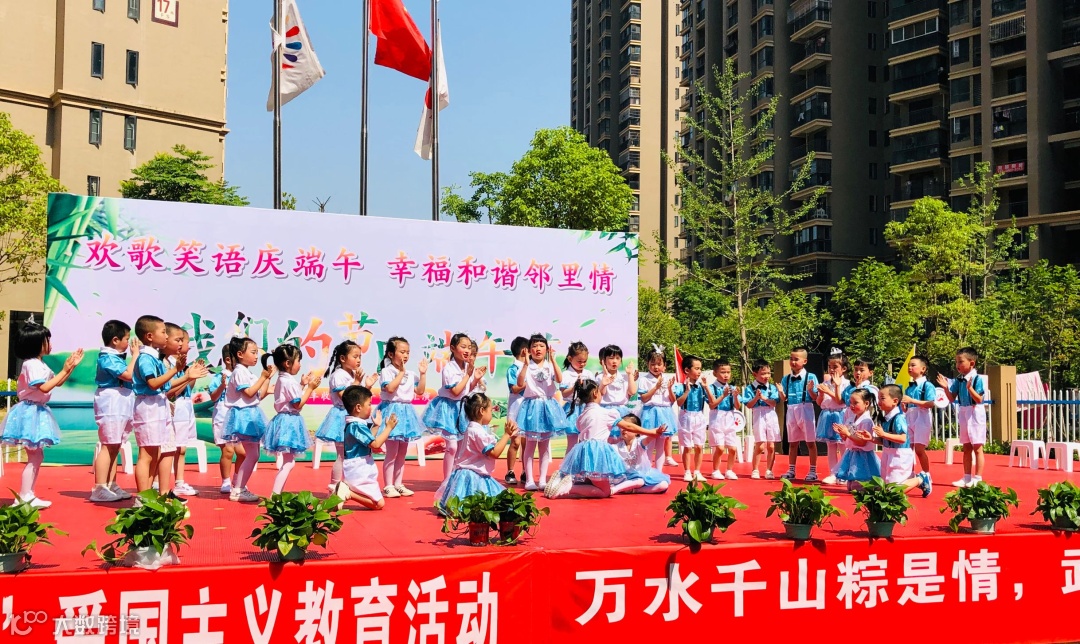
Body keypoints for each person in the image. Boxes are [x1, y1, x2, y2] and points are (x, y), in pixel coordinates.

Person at [1, 320, 84, 508]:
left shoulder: (38, 364)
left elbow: (57, 382)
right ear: (36, 343)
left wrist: (70, 367)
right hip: (30, 412)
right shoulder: (32, 364)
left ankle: (28, 494)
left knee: (37, 456)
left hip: (35, 410)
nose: (50, 343)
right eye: (47, 340)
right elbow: (45, 387)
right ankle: (24, 496)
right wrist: (65, 369)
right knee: (34, 456)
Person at [131, 316, 205, 501]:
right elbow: (153, 383)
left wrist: (186, 376)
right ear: (149, 336)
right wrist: (176, 371)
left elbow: (165, 386)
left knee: (155, 453)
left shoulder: (153, 358)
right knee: (146, 455)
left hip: (158, 406)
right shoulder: (145, 358)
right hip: (148, 407)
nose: (165, 336)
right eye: (163, 332)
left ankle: (149, 496)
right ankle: (142, 497)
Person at [545, 379, 654, 499]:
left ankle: (563, 483)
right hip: (597, 452)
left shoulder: (582, 415)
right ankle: (568, 487)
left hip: (583, 451)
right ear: (595, 393)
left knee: (590, 481)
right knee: (605, 491)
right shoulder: (606, 413)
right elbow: (628, 426)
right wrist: (651, 432)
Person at [435, 393, 520, 510]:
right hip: (473, 476)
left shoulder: (473, 429)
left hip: (468, 475)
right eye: (490, 410)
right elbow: (494, 453)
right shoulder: (477, 432)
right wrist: (506, 435)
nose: (492, 414)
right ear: (482, 411)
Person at [423, 333, 486, 482]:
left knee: (460, 447)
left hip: (463, 408)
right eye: (463, 347)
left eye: (469, 347)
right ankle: (446, 480)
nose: (467, 350)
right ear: (452, 348)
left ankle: (456, 478)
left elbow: (467, 390)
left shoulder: (467, 367)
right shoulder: (449, 368)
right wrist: (468, 375)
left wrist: (475, 379)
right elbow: (456, 391)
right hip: (449, 409)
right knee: (451, 446)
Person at [315, 340, 377, 491]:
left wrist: (367, 386)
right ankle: (334, 485)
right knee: (342, 455)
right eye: (355, 356)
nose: (358, 360)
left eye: (360, 357)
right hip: (342, 417)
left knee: (350, 455)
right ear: (342, 358)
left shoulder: (351, 374)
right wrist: (356, 382)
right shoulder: (338, 375)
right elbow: (347, 398)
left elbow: (359, 398)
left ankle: (347, 487)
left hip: (353, 416)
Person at [262, 344, 322, 494]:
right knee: (289, 463)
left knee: (289, 462)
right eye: (298, 361)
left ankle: (277, 494)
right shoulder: (288, 381)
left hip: (286, 420)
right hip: (289, 422)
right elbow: (297, 404)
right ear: (288, 363)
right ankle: (275, 495)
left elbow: (292, 399)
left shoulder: (284, 379)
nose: (300, 364)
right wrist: (310, 388)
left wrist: (302, 385)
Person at [222, 336, 275, 502]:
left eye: (256, 353)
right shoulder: (239, 372)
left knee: (253, 454)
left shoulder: (246, 372)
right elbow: (249, 393)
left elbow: (259, 395)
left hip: (251, 414)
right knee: (252, 455)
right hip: (244, 416)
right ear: (240, 354)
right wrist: (263, 377)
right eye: (253, 352)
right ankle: (238, 489)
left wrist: (267, 377)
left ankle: (239, 487)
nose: (256, 356)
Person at [91, 320, 139, 502]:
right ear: (115, 340)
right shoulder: (107, 358)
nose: (129, 342)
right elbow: (127, 375)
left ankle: (111, 484)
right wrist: (135, 356)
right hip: (111, 401)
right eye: (127, 339)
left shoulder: (117, 357)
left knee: (115, 445)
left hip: (122, 399)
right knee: (108, 444)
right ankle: (99, 487)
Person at [515, 334, 569, 491]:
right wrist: (526, 365)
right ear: (529, 349)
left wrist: (553, 361)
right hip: (532, 406)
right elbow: (520, 383)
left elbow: (559, 380)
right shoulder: (526, 365)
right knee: (530, 445)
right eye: (534, 346)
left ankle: (543, 480)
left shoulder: (550, 365)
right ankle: (529, 480)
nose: (538, 349)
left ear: (547, 349)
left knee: (545, 446)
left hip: (547, 406)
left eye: (541, 346)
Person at [378, 336, 428, 498]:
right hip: (392, 411)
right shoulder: (386, 371)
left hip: (407, 413)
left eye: (407, 352)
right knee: (391, 452)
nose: (405, 355)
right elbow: (390, 389)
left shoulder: (410, 373)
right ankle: (388, 485)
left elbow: (420, 391)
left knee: (402, 452)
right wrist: (401, 373)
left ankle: (398, 484)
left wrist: (422, 374)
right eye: (402, 352)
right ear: (391, 354)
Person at [332, 385, 397, 510]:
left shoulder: (355, 424)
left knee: (378, 503)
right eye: (369, 404)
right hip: (359, 467)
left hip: (359, 466)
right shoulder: (356, 425)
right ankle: (347, 492)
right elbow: (375, 444)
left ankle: (344, 493)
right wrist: (388, 428)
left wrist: (376, 426)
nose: (371, 407)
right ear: (358, 407)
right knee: (378, 504)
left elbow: (367, 441)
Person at [938, 347, 987, 488]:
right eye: (956, 362)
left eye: (960, 362)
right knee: (966, 446)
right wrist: (946, 388)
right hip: (964, 411)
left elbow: (979, 399)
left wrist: (970, 388)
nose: (957, 365)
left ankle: (978, 478)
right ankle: (966, 477)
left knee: (977, 447)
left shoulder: (977, 378)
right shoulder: (959, 380)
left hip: (975, 412)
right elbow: (951, 398)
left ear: (971, 363)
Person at [873, 384, 931, 497]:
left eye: (882, 398)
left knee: (893, 491)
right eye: (878, 398)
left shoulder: (899, 418)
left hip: (899, 455)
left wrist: (883, 434)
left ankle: (921, 478)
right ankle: (915, 480)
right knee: (884, 487)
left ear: (895, 401)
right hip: (887, 453)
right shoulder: (885, 418)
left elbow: (902, 438)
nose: (879, 402)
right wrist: (870, 438)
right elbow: (885, 441)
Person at [164, 324, 199, 498]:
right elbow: (170, 392)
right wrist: (187, 377)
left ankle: (179, 482)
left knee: (181, 448)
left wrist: (192, 375)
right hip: (175, 408)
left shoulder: (180, 365)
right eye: (182, 341)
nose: (186, 346)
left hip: (185, 407)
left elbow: (187, 387)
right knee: (174, 448)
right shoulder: (168, 364)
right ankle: (168, 484)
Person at [779, 347, 820, 482]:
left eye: (796, 359)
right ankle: (791, 470)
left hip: (805, 408)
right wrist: (780, 392)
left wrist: (810, 390)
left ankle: (813, 470)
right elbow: (784, 398)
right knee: (792, 442)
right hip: (791, 409)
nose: (793, 362)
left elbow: (815, 397)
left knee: (810, 442)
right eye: (791, 359)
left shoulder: (811, 377)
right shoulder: (786, 378)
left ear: (804, 361)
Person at [636, 346, 678, 470]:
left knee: (661, 446)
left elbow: (672, 400)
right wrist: (655, 388)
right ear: (648, 364)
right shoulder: (644, 380)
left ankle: (659, 472)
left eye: (659, 364)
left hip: (665, 413)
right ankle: (647, 471)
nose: (656, 367)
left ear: (664, 366)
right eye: (652, 364)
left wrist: (669, 388)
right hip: (650, 413)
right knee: (649, 444)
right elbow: (644, 399)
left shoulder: (668, 379)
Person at [208, 349, 243, 494]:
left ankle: (238, 480)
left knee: (243, 453)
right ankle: (226, 481)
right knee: (228, 451)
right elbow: (213, 397)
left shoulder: (242, 376)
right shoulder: (218, 377)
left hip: (239, 417)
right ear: (228, 360)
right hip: (222, 417)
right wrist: (222, 386)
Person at [832, 389, 882, 490]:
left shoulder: (866, 421)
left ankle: (872, 488)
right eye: (851, 403)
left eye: (856, 403)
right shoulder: (851, 419)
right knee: (850, 486)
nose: (852, 405)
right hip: (851, 453)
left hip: (863, 454)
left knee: (858, 484)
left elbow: (862, 442)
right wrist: (842, 433)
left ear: (866, 404)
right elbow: (846, 438)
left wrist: (847, 433)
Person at [814, 348, 851, 485]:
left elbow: (840, 401)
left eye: (835, 367)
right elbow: (819, 402)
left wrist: (829, 391)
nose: (831, 370)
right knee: (831, 446)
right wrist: (821, 393)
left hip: (841, 414)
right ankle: (833, 473)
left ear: (843, 369)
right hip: (827, 414)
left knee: (843, 445)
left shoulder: (846, 384)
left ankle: (844, 473)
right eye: (829, 367)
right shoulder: (826, 383)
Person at [741, 359, 780, 479]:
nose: (766, 376)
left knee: (771, 445)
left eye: (768, 373)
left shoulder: (772, 388)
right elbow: (748, 405)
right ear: (755, 374)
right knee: (760, 444)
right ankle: (755, 469)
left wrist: (763, 398)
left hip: (770, 414)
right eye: (763, 373)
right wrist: (756, 398)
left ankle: (769, 470)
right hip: (758, 414)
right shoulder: (750, 388)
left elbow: (774, 403)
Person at [612, 416, 671, 494]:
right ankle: (614, 490)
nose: (624, 430)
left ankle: (634, 490)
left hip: (644, 475)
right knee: (639, 481)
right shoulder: (616, 446)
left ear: (636, 431)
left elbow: (650, 437)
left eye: (628, 427)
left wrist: (658, 432)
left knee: (663, 485)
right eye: (622, 427)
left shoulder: (640, 442)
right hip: (626, 477)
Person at [673, 354, 708, 482]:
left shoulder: (701, 387)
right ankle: (687, 471)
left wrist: (706, 387)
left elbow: (711, 401)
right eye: (696, 368)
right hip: (686, 415)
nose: (699, 371)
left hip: (699, 416)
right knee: (687, 447)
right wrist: (687, 391)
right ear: (687, 370)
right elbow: (679, 403)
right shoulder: (680, 386)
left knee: (699, 446)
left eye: (700, 369)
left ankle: (697, 471)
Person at [706, 359, 741, 480]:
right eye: (723, 372)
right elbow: (712, 405)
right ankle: (715, 470)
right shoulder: (711, 388)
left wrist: (735, 396)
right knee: (720, 448)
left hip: (729, 417)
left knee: (733, 448)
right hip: (717, 417)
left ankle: (729, 470)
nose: (726, 375)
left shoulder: (732, 388)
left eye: (728, 372)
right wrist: (723, 395)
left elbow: (737, 406)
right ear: (715, 373)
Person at [903, 354, 937, 475]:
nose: (910, 368)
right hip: (909, 417)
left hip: (922, 417)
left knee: (919, 449)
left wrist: (912, 401)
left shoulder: (927, 385)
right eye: (909, 365)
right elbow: (907, 406)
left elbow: (930, 403)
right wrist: (904, 407)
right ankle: (909, 474)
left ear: (923, 369)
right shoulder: (909, 387)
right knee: (908, 449)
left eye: (913, 365)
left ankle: (926, 474)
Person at [559, 341, 592, 455]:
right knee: (572, 443)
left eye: (585, 361)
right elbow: (564, 394)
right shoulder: (566, 374)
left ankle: (583, 464)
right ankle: (568, 465)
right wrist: (575, 386)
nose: (582, 364)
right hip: (572, 409)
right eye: (579, 361)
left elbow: (592, 392)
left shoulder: (588, 373)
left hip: (586, 409)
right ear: (570, 359)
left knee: (585, 442)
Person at [504, 336, 529, 485]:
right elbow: (514, 389)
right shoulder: (513, 369)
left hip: (529, 408)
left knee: (527, 442)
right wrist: (528, 383)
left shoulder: (532, 368)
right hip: (516, 408)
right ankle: (510, 471)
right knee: (516, 441)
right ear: (525, 350)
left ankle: (526, 471)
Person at [595, 344, 637, 419]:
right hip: (605, 410)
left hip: (622, 411)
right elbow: (602, 393)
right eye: (611, 358)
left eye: (618, 358)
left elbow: (632, 392)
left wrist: (630, 374)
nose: (614, 361)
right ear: (604, 361)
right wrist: (604, 381)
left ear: (621, 361)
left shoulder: (625, 377)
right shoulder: (600, 377)